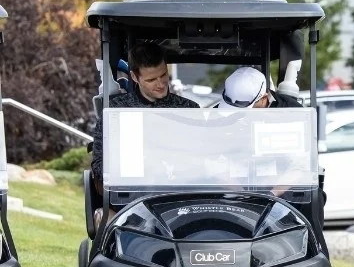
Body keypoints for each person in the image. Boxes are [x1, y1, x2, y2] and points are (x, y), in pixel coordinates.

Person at [90, 42, 199, 228]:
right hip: (132, 200)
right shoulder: (117, 111)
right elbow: (98, 165)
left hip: (181, 197)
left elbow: (203, 160)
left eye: (163, 75)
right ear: (134, 77)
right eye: (151, 80)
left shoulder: (189, 109)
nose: (160, 84)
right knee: (108, 221)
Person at [218, 66, 303, 109]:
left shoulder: (291, 110)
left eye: (242, 109)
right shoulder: (219, 111)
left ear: (264, 98)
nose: (236, 114)